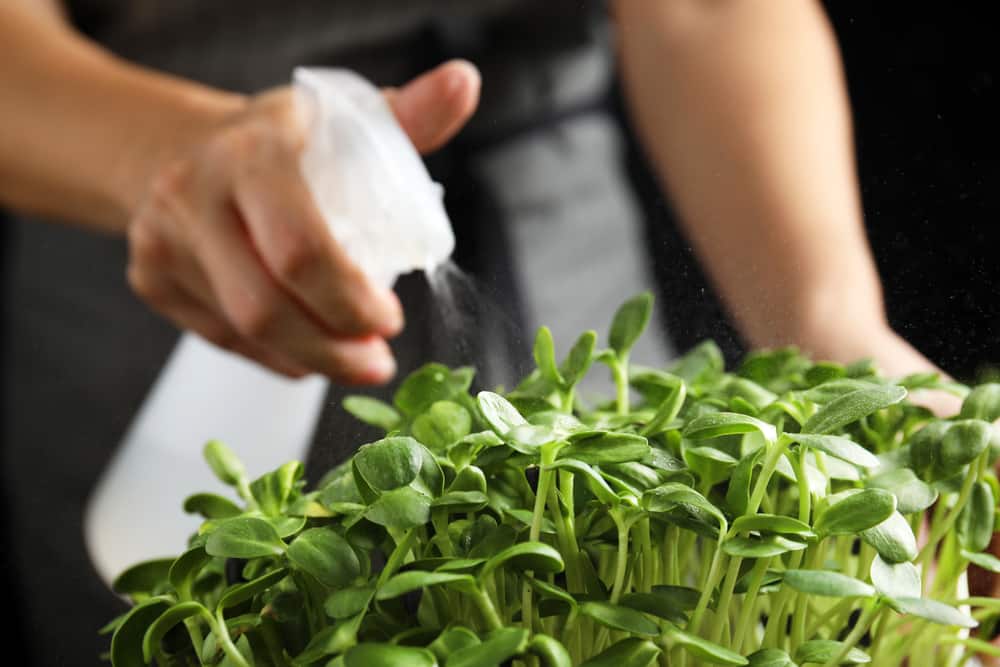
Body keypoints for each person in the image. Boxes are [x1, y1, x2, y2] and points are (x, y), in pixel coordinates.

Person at [0, 0, 977, 664]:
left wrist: (832, 333)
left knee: (648, 583)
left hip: (577, 287)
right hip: (194, 286)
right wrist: (167, 156)